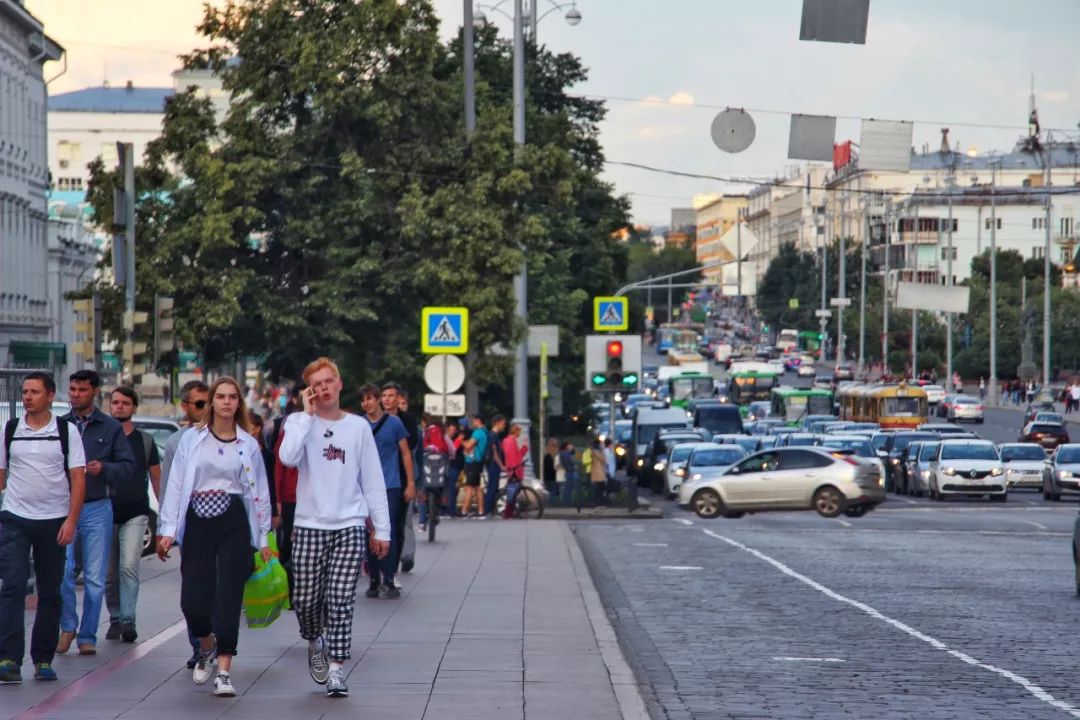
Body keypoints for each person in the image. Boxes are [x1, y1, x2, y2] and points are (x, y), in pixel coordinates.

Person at [278, 359, 391, 698]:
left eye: (329, 381)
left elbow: (372, 479)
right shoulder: (299, 422)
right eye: (317, 384)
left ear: (339, 384)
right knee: (306, 599)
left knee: (341, 598)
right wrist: (306, 416)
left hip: (349, 524)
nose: (325, 388)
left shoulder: (357, 428)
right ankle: (315, 640)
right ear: (310, 390)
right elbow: (286, 457)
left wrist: (381, 529)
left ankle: (338, 669)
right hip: (310, 524)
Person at [157, 377, 272, 698]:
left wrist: (263, 539)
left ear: (239, 403)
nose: (225, 402)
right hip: (198, 520)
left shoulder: (248, 444)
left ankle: (224, 670)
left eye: (231, 397)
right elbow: (177, 486)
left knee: (228, 596)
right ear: (211, 403)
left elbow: (259, 493)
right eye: (219, 397)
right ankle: (206, 644)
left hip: (234, 520)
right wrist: (167, 531)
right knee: (193, 601)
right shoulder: (192, 440)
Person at [0, 372, 86, 683]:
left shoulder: (67, 431)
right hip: (15, 518)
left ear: (50, 396)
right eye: (25, 392)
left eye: (34, 392)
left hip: (54, 519)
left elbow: (78, 478)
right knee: (12, 586)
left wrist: (71, 520)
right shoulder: (10, 429)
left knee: (50, 591)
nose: (27, 397)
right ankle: (8, 657)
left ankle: (43, 659)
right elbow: (1, 475)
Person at [58, 369, 135, 657]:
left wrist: (105, 468)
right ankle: (68, 625)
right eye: (73, 389)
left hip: (96, 506)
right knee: (62, 572)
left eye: (82, 389)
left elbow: (128, 467)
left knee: (94, 577)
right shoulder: (60, 425)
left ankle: (87, 635)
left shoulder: (110, 427)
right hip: (63, 508)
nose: (76, 394)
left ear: (94, 392)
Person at [160, 379, 211, 669]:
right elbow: (169, 487)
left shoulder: (228, 435)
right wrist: (166, 532)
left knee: (218, 587)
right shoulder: (176, 442)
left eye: (210, 403)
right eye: (200, 404)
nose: (207, 409)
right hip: (191, 529)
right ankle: (199, 644)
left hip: (223, 528)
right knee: (193, 590)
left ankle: (216, 640)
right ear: (186, 406)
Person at [104, 387, 161, 644]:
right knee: (109, 574)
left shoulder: (145, 441)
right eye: (115, 402)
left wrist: (166, 519)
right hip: (104, 513)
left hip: (136, 513)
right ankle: (115, 618)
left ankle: (128, 620)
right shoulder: (102, 438)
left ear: (134, 407)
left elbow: (157, 479)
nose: (119, 407)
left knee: (128, 566)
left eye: (125, 403)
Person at [359, 384, 414, 599]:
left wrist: (410, 483)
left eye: (370, 399)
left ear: (378, 401)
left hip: (390, 484)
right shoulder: (359, 424)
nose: (367, 403)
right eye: (363, 400)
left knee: (386, 530)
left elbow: (405, 453)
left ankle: (389, 578)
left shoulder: (394, 423)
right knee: (369, 532)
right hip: (365, 485)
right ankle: (374, 579)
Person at [381, 383, 418, 574]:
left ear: (398, 399)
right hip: (379, 477)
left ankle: (392, 568)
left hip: (401, 478)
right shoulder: (374, 419)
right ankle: (377, 569)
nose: (387, 399)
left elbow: (411, 446)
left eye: (391, 395)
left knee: (398, 523)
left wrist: (412, 483)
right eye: (384, 395)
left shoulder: (407, 420)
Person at [272, 384, 304, 603]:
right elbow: (280, 465)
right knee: (289, 545)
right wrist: (279, 501)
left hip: (316, 499)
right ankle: (290, 592)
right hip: (292, 497)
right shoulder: (289, 426)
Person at [461, 415, 489, 518]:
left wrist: (461, 441)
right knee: (477, 487)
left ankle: (464, 511)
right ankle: (481, 511)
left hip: (472, 462)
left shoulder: (478, 432)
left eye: (474, 420)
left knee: (469, 487)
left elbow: (468, 446)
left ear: (478, 420)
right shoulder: (485, 432)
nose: (472, 422)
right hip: (478, 462)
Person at [500, 423, 528, 519]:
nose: (519, 433)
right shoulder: (510, 442)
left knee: (513, 493)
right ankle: (508, 514)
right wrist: (514, 467)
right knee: (511, 493)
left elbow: (517, 455)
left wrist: (524, 447)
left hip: (514, 470)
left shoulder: (510, 441)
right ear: (515, 431)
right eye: (519, 431)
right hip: (514, 471)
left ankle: (509, 514)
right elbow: (512, 458)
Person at [484, 416, 508, 517]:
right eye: (503, 423)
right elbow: (495, 454)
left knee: (493, 487)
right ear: (497, 423)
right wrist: (501, 465)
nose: (504, 426)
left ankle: (490, 510)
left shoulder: (495, 435)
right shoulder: (493, 435)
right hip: (493, 465)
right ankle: (487, 511)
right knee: (492, 488)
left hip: (494, 465)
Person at [445, 421, 465, 517]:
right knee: (452, 488)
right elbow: (453, 450)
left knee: (453, 488)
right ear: (447, 428)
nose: (454, 431)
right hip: (452, 466)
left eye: (455, 430)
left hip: (456, 466)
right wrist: (459, 440)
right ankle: (450, 509)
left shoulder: (451, 438)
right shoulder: (446, 438)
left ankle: (451, 507)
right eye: (452, 429)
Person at [589, 440, 607, 505]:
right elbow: (604, 459)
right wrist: (602, 450)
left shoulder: (594, 451)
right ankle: (598, 501)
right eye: (601, 444)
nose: (602, 445)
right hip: (598, 472)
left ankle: (597, 500)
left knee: (599, 487)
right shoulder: (596, 452)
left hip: (597, 472)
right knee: (601, 487)